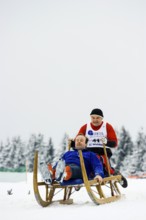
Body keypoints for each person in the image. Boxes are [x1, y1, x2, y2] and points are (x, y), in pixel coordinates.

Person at [75, 108, 128, 188]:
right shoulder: (86, 127)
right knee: (81, 163)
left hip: (103, 151)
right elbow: (78, 139)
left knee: (104, 165)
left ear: (102, 118)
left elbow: (114, 143)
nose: (95, 120)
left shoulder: (107, 126)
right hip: (88, 151)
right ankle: (80, 178)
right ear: (90, 117)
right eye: (93, 118)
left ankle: (114, 173)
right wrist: (74, 142)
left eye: (98, 118)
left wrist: (107, 141)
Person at [40, 134, 104, 185]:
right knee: (61, 165)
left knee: (69, 168)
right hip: (65, 166)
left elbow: (97, 165)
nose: (79, 141)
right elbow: (59, 164)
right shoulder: (68, 153)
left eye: (81, 140)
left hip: (81, 170)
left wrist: (98, 175)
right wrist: (54, 168)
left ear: (85, 144)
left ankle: (63, 173)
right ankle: (51, 174)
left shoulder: (90, 154)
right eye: (77, 140)